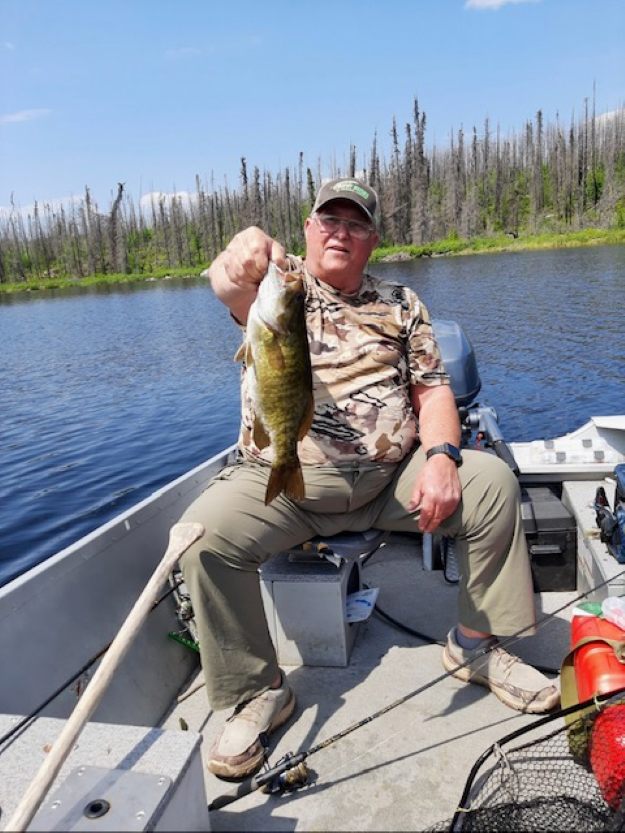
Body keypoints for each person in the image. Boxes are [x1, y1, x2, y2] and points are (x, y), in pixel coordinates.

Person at [179, 177, 560, 781]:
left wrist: (442, 457)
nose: (341, 232)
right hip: (287, 479)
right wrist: (241, 253)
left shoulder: (401, 303)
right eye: (329, 220)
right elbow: (228, 283)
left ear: (373, 239)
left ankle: (474, 646)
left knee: (491, 483)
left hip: (389, 483)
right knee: (202, 537)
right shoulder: (282, 289)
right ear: (308, 230)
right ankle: (258, 691)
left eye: (356, 223)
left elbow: (434, 390)